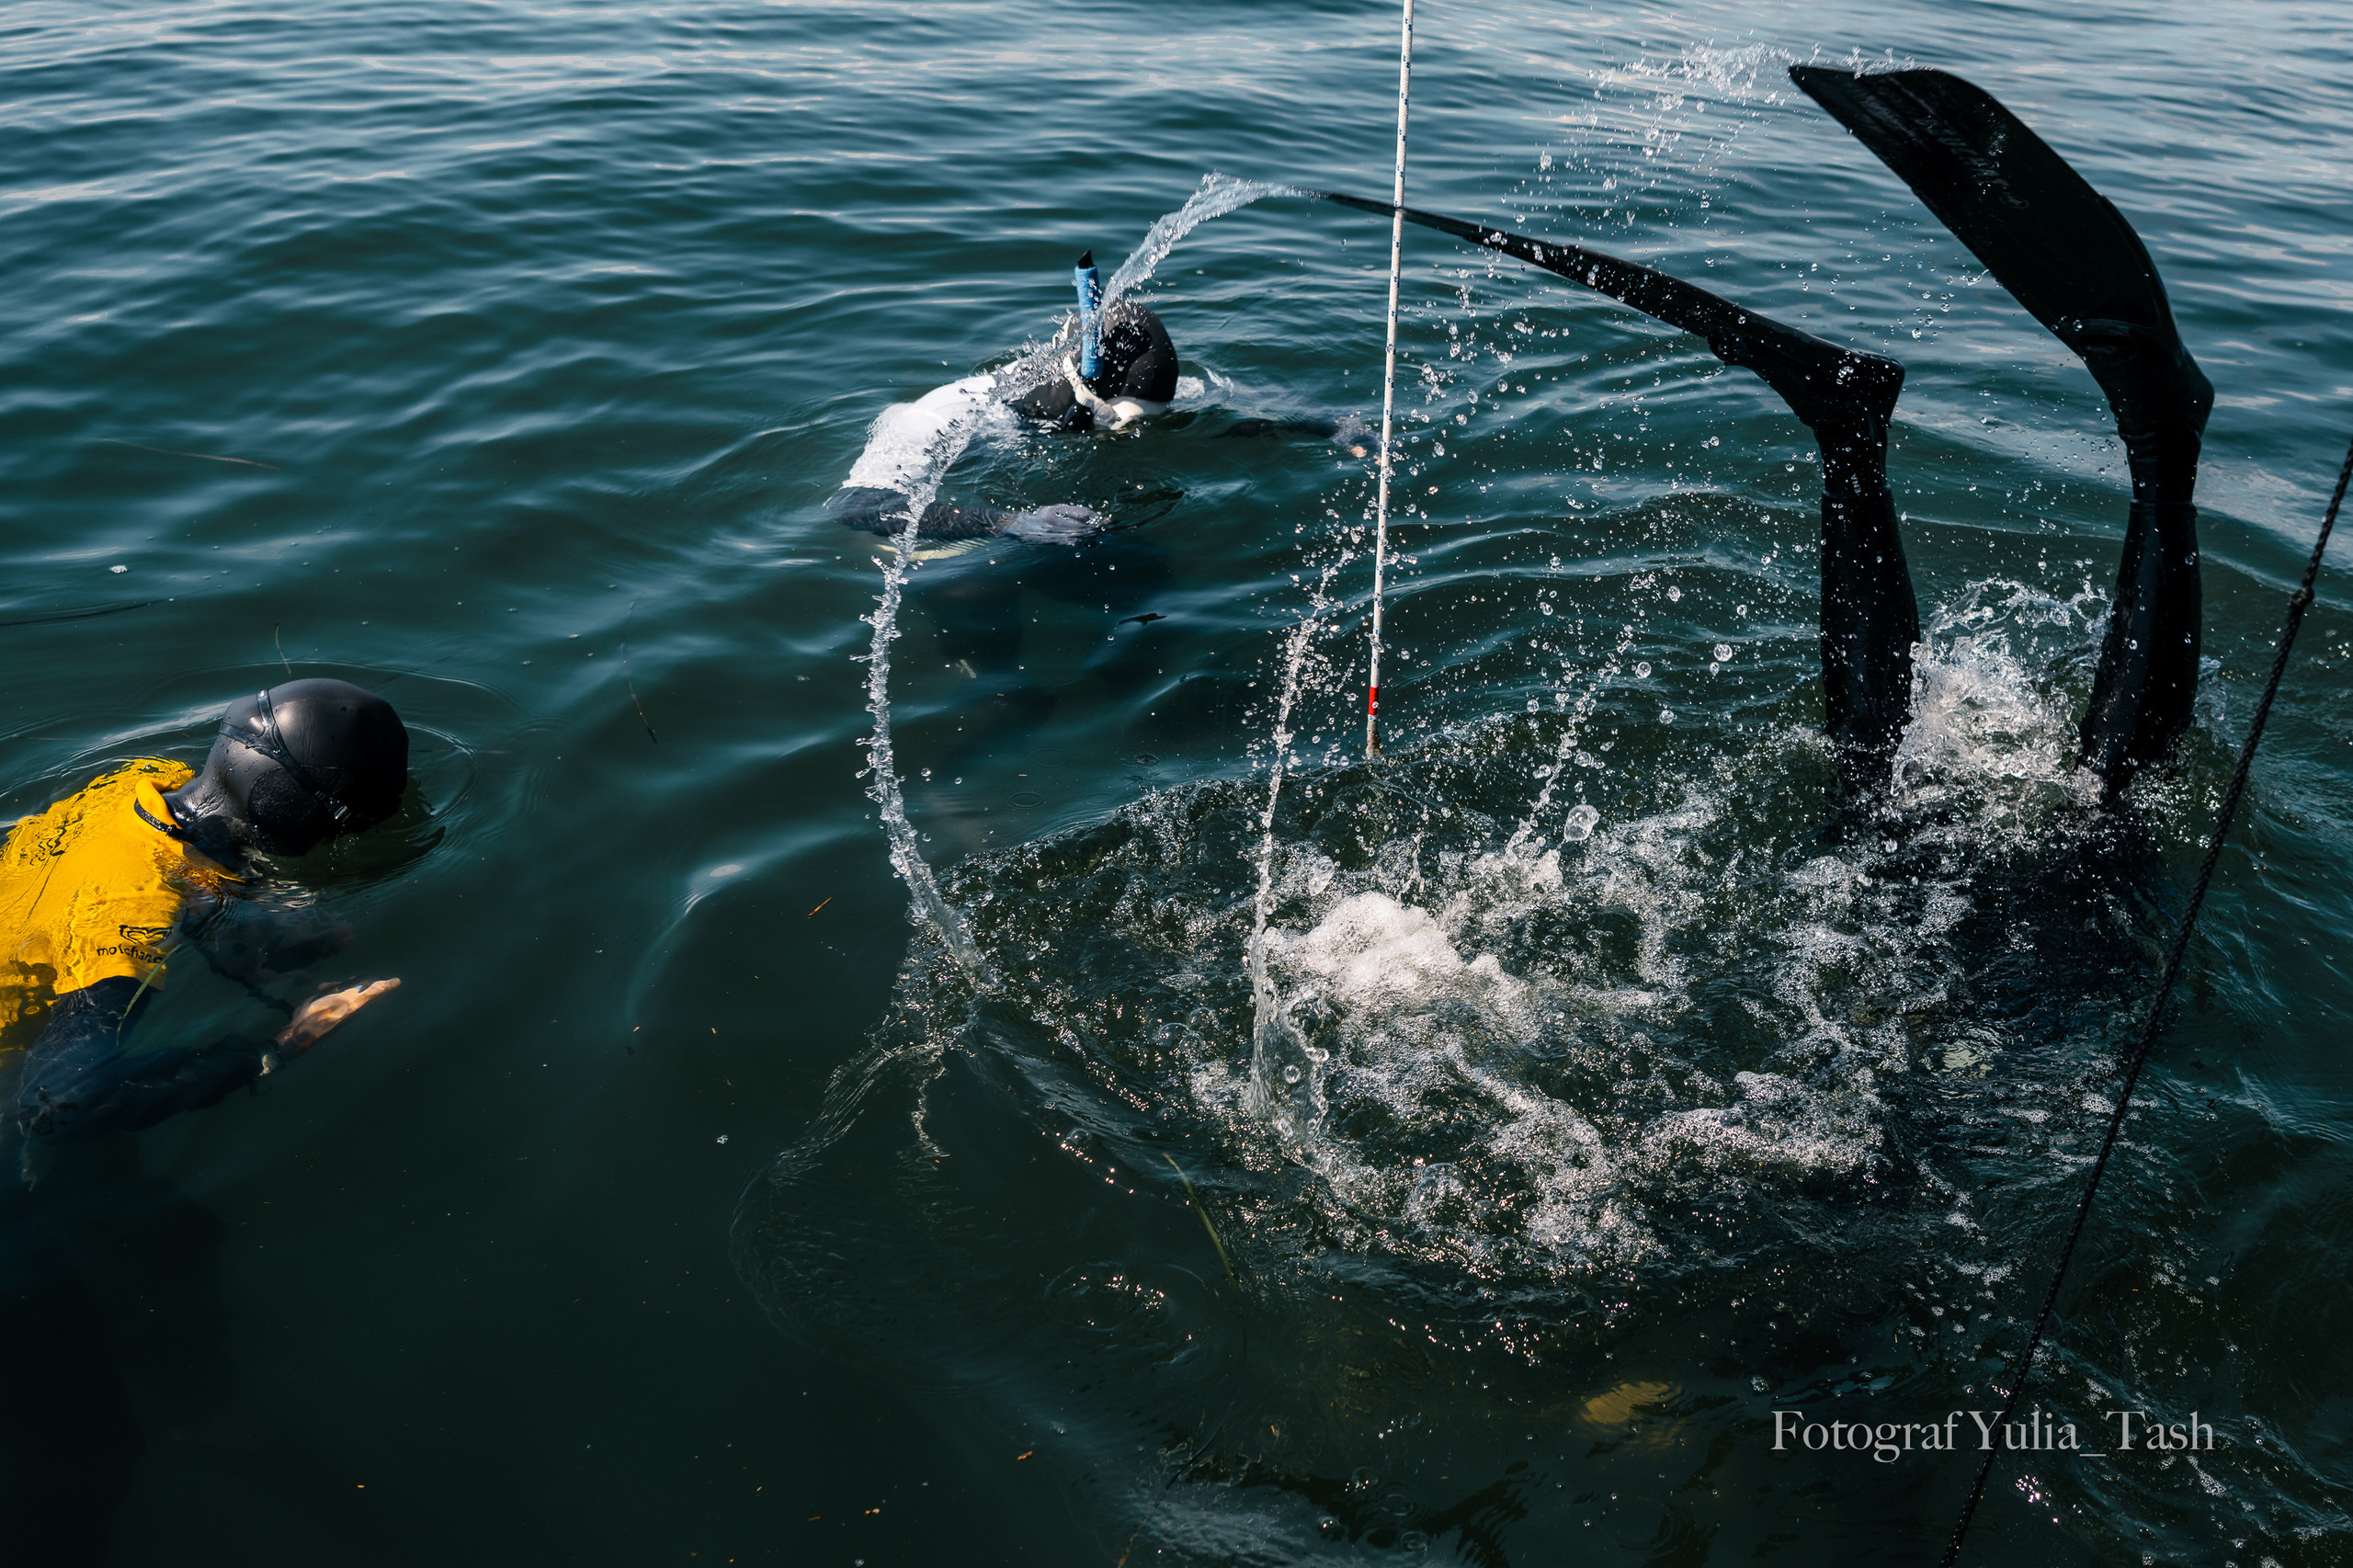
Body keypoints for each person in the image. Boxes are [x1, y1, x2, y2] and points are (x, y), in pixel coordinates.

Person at [1313, 65, 2211, 803]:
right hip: (1963, 977)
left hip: (1903, 965)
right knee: (2092, 818)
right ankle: (2147, 459)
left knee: (1883, 788)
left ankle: (1851, 433)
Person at [3, 677, 408, 1150]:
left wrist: (246, 908)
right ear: (295, 817)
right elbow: (54, 1109)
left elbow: (177, 867)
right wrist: (281, 1046)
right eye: (343, 829)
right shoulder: (132, 925)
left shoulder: (135, 783)